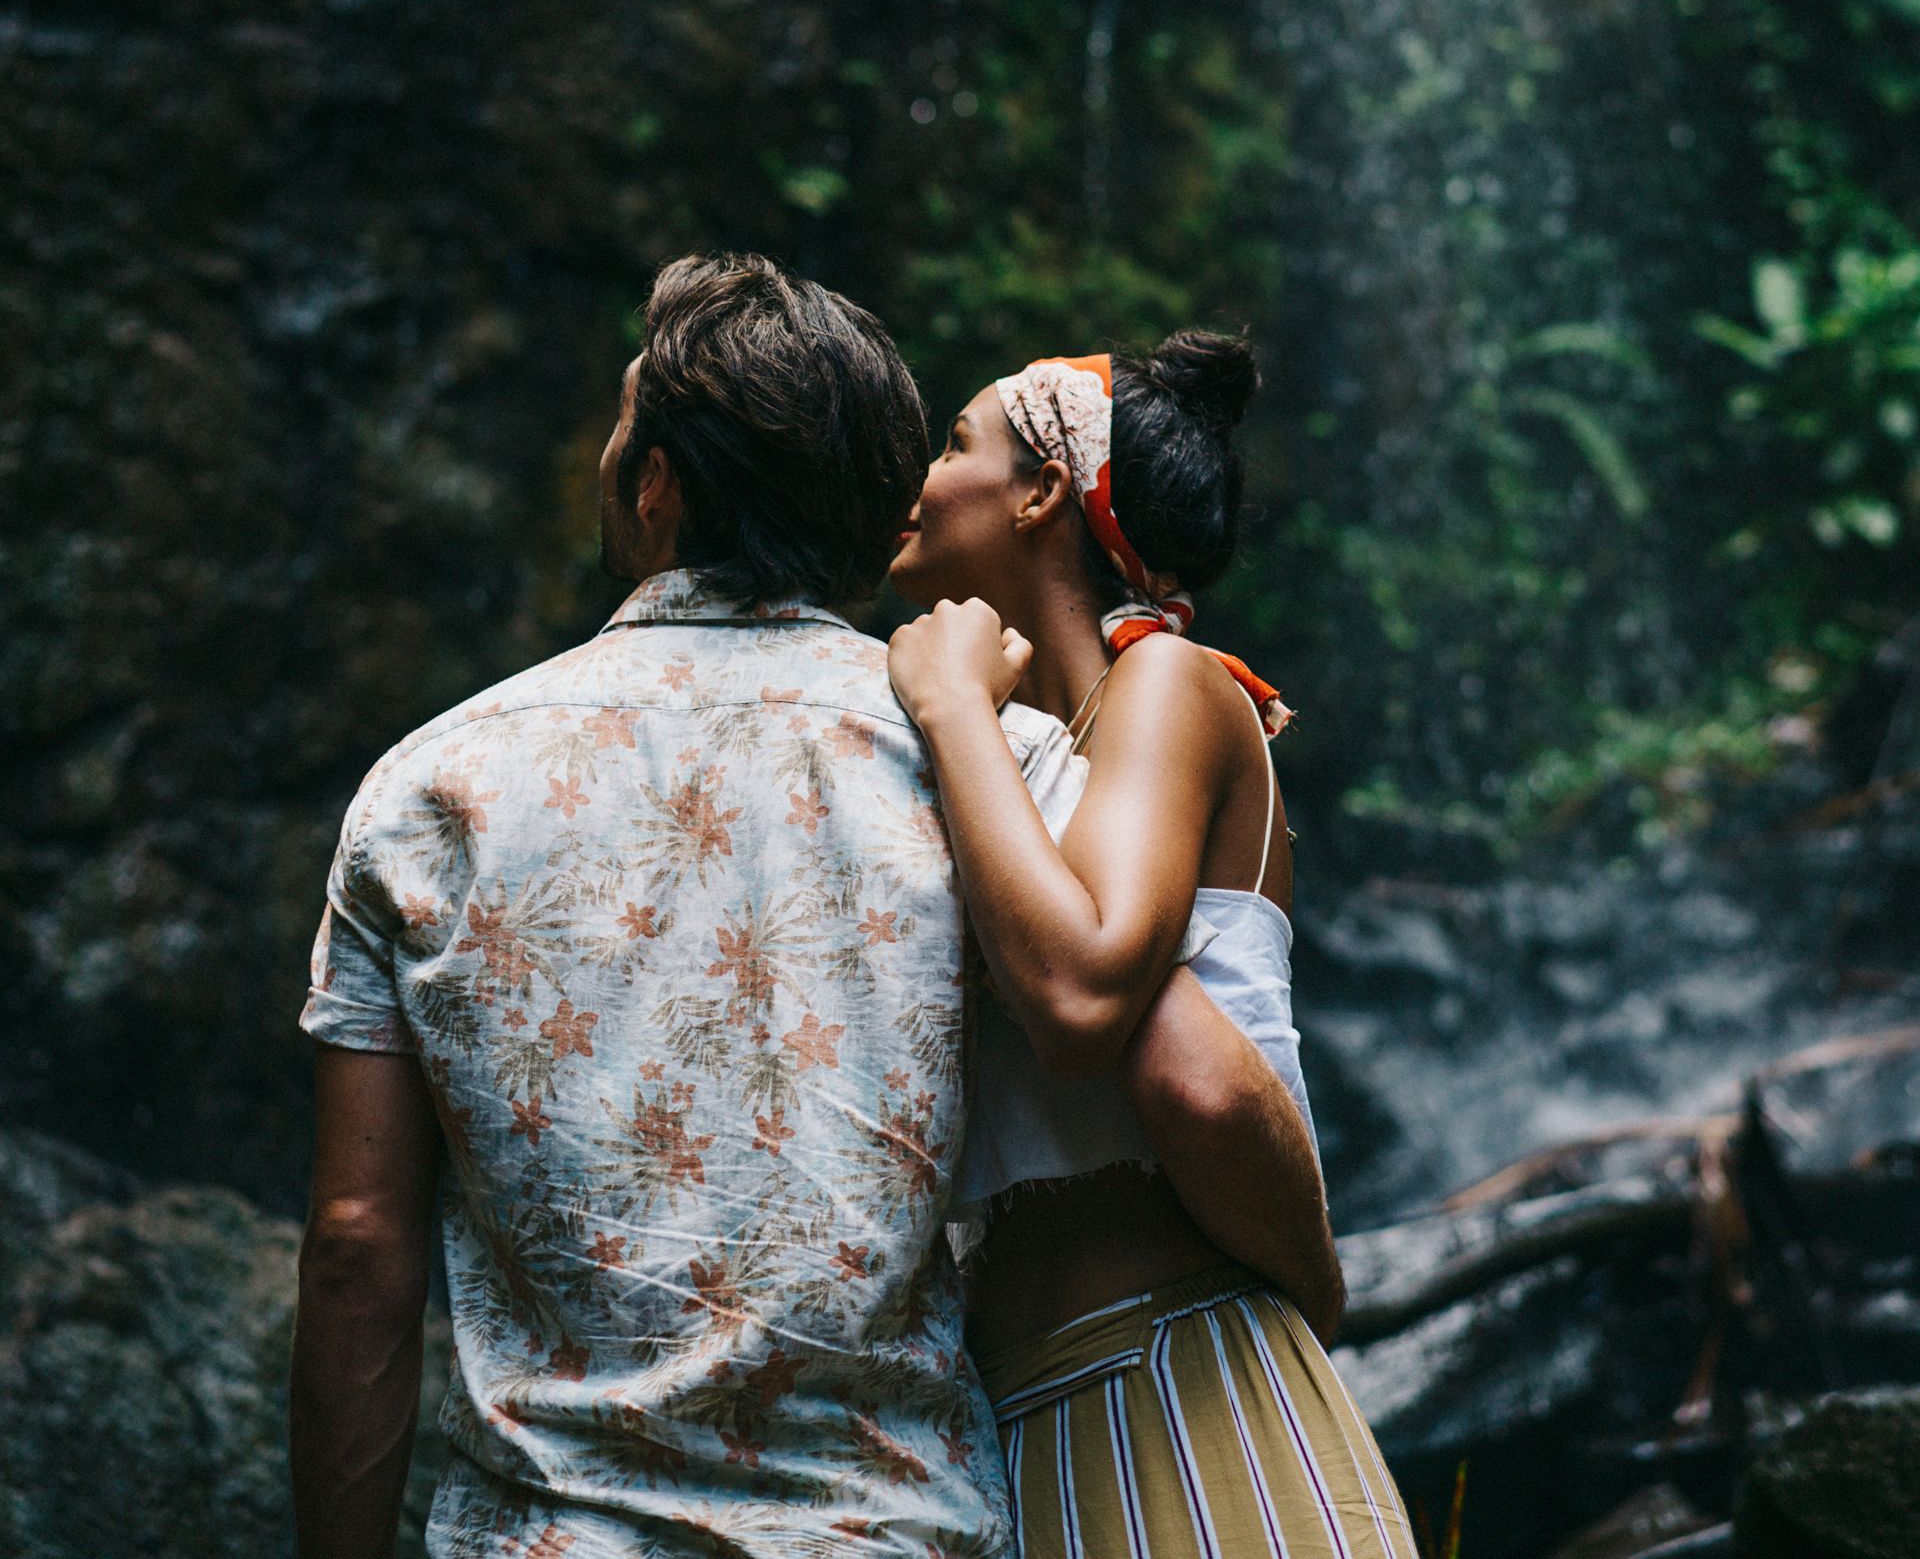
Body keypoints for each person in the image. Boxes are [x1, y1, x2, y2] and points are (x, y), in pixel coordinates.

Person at [290, 258, 1331, 1559]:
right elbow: (1178, 1058)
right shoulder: (998, 766)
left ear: (654, 482)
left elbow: (356, 1245)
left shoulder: (427, 788)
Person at [889, 336, 1417, 1559]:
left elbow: (1083, 995)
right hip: (1018, 1407)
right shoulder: (1025, 754)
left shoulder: (1171, 683)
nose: (919, 476)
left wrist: (955, 702)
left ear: (1041, 491)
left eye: (956, 442)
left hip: (1185, 1386)